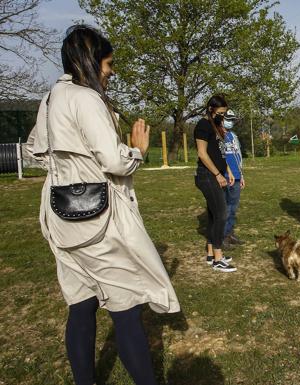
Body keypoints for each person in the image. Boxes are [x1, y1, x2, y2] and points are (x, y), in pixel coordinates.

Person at [24, 25, 179, 385]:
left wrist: (67, 167)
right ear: (91, 62)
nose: (111, 72)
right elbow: (112, 160)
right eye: (108, 64)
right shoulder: (86, 97)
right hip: (95, 223)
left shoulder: (50, 98)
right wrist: (137, 150)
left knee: (81, 305)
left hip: (58, 216)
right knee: (125, 309)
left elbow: (34, 149)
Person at [194, 95, 237, 272]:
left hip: (218, 174)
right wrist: (218, 174)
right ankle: (218, 259)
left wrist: (228, 171)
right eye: (220, 112)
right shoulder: (203, 126)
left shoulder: (216, 126)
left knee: (213, 215)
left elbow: (220, 153)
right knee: (221, 214)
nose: (223, 116)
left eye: (225, 113)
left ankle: (211, 253)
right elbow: (203, 154)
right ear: (211, 109)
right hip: (207, 176)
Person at [222, 109, 245, 248]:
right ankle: (222, 236)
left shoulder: (233, 136)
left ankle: (230, 233)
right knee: (225, 208)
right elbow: (220, 157)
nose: (230, 122)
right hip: (225, 177)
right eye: (228, 119)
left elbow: (238, 156)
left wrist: (241, 175)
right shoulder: (219, 136)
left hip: (237, 177)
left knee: (233, 208)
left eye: (232, 120)